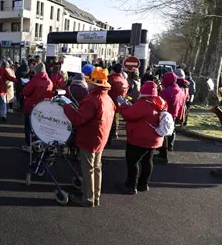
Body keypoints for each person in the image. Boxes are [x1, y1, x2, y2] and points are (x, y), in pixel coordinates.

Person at [61, 67, 115, 207]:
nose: (88, 83)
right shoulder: (107, 98)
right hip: (100, 138)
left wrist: (65, 107)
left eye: (90, 81)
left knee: (88, 169)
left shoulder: (92, 99)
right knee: (97, 168)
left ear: (95, 84)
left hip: (89, 138)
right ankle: (95, 196)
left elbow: (78, 119)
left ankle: (88, 198)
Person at [118, 81, 168, 194]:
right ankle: (143, 184)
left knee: (133, 162)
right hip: (155, 138)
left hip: (139, 139)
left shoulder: (143, 103)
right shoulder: (160, 102)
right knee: (147, 161)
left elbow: (128, 115)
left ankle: (130, 186)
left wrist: (123, 104)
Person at [155, 72, 186, 164]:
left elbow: (159, 103)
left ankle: (163, 155)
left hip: (165, 114)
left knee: (163, 134)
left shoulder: (166, 91)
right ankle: (168, 148)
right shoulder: (180, 90)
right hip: (174, 114)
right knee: (170, 132)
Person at [22, 63, 53, 152]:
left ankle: (30, 146)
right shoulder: (49, 81)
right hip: (43, 107)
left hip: (32, 107)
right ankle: (39, 146)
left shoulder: (35, 80)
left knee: (29, 127)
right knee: (39, 128)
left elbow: (25, 92)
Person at [107, 64, 129, 144]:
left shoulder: (110, 79)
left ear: (113, 70)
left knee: (109, 121)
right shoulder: (124, 80)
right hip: (119, 103)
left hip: (110, 103)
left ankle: (109, 137)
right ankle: (113, 133)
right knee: (115, 119)